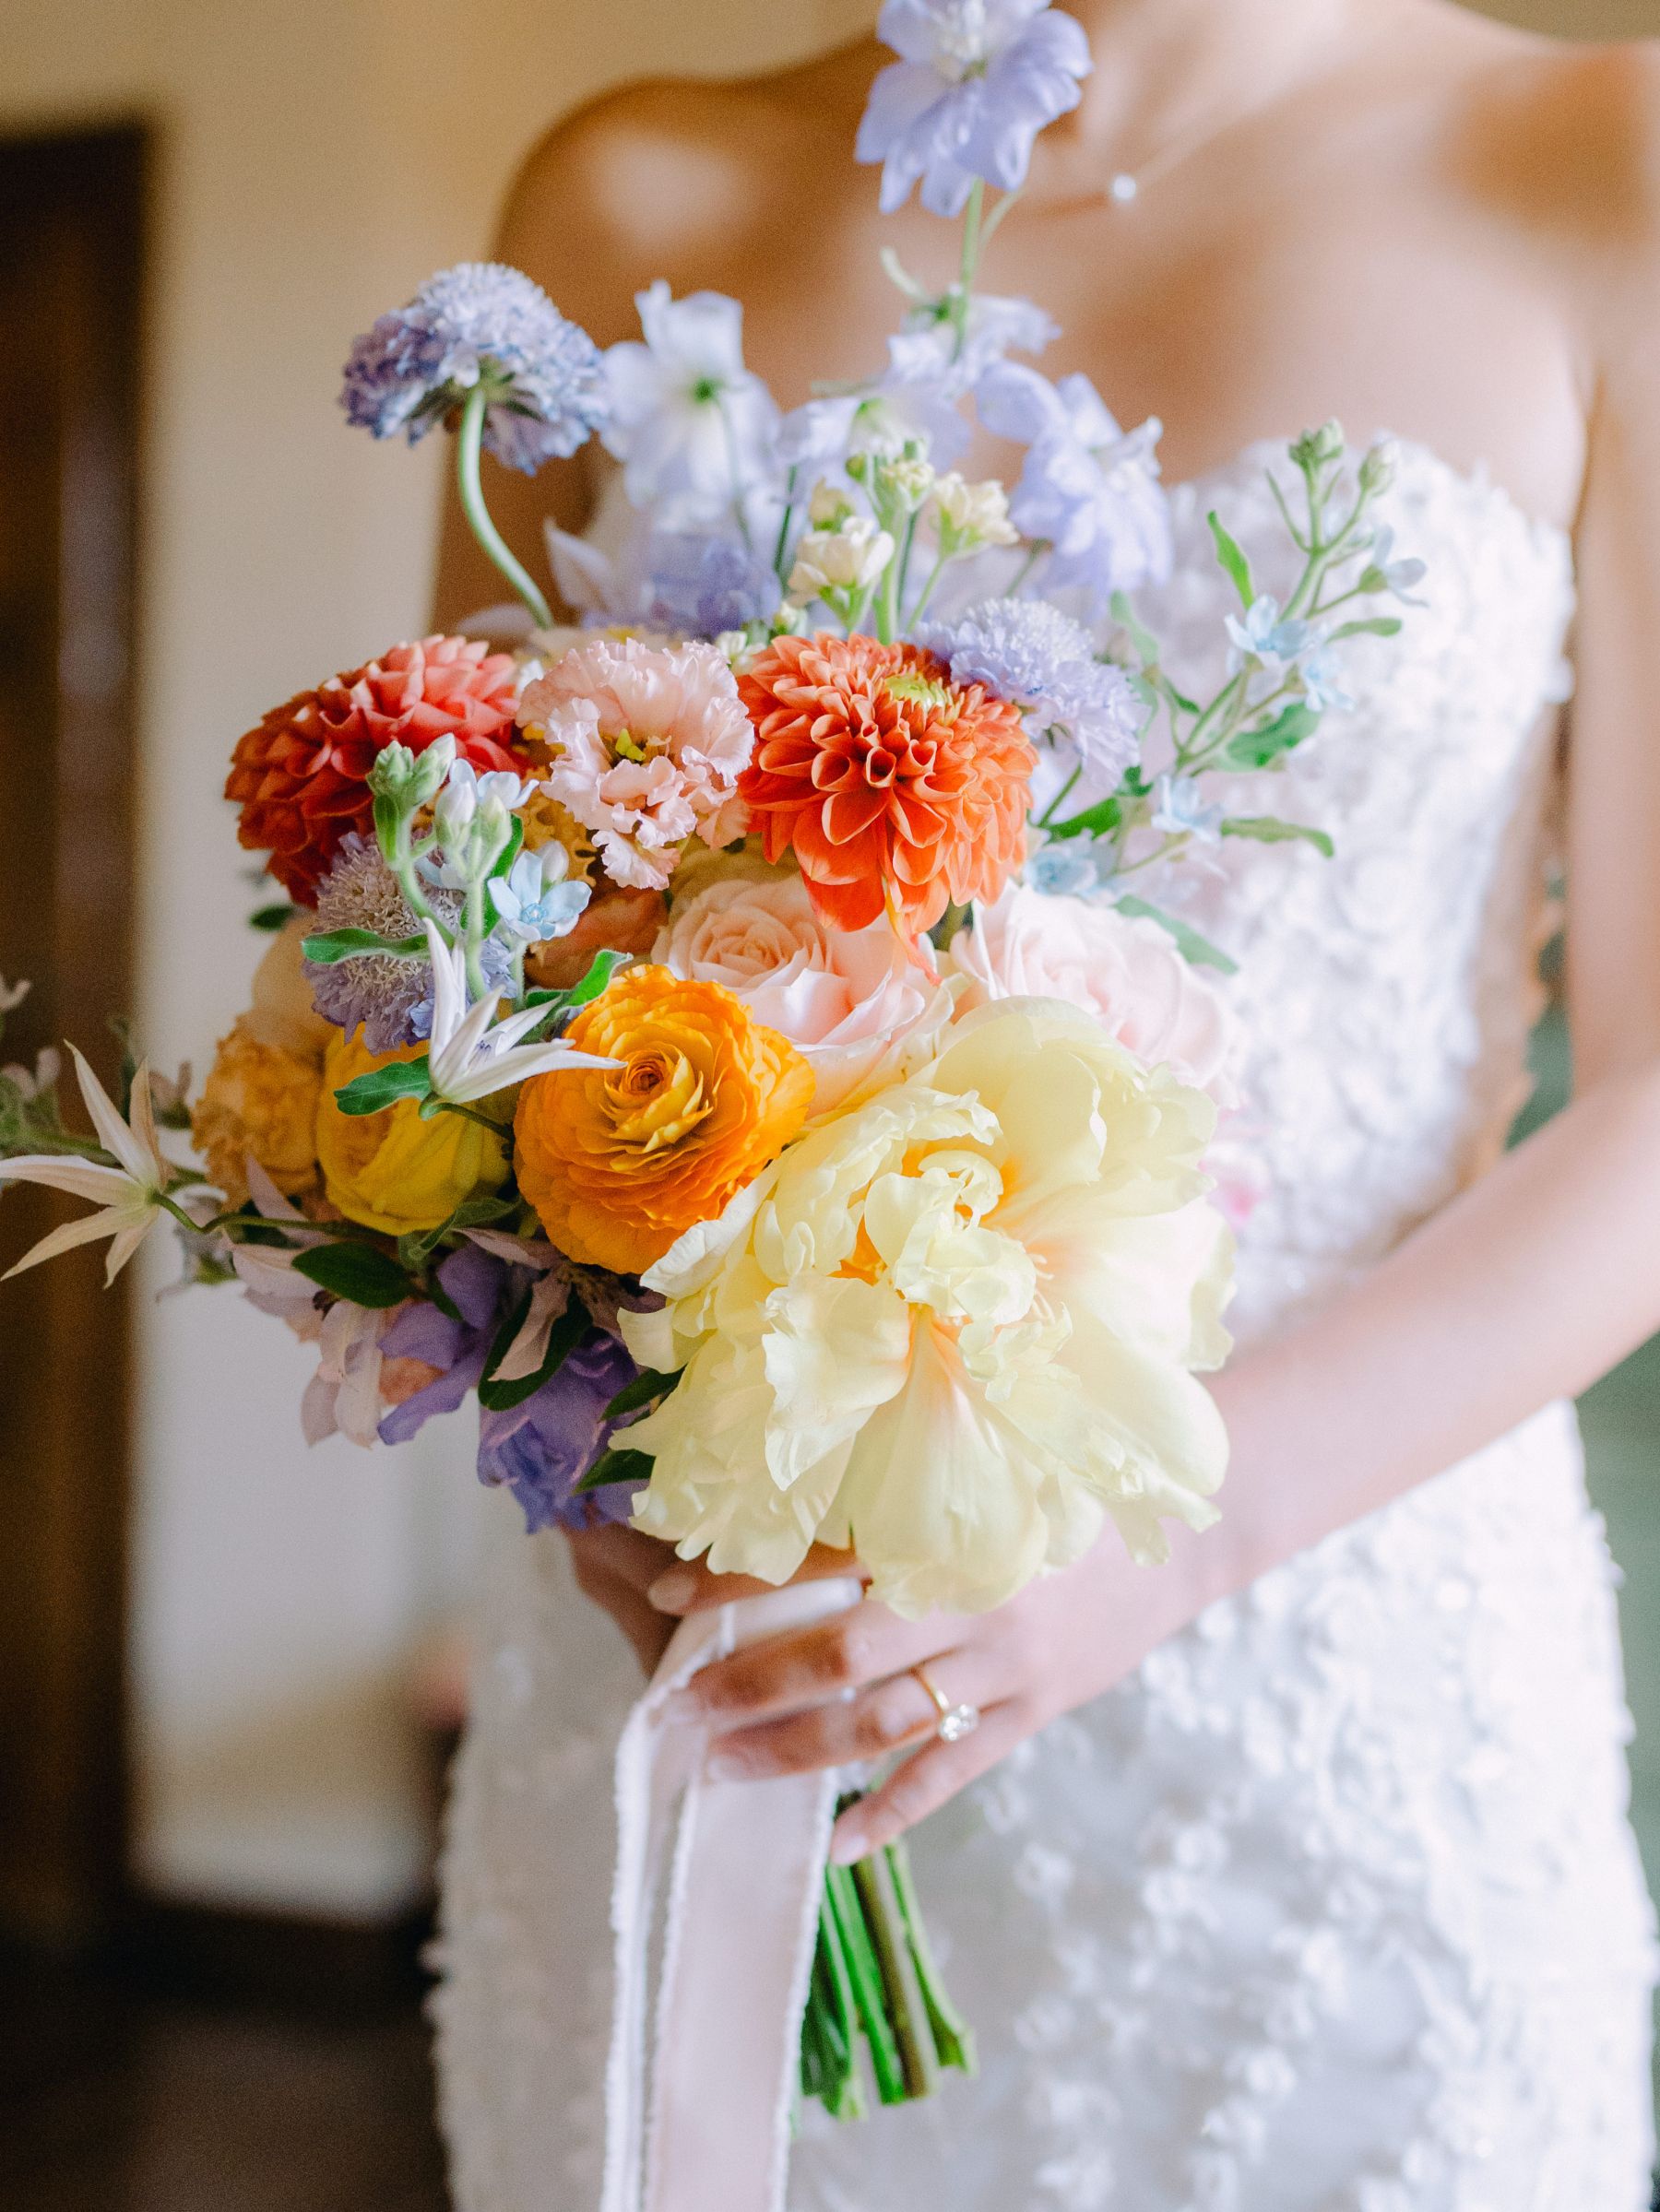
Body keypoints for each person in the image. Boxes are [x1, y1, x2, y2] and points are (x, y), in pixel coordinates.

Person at [430, 3, 1660, 2204]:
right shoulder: (630, 194)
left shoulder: (1597, 161)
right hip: (707, 1674)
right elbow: (444, 950)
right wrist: (587, 1422)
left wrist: (1166, 1546)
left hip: (1324, 1707)